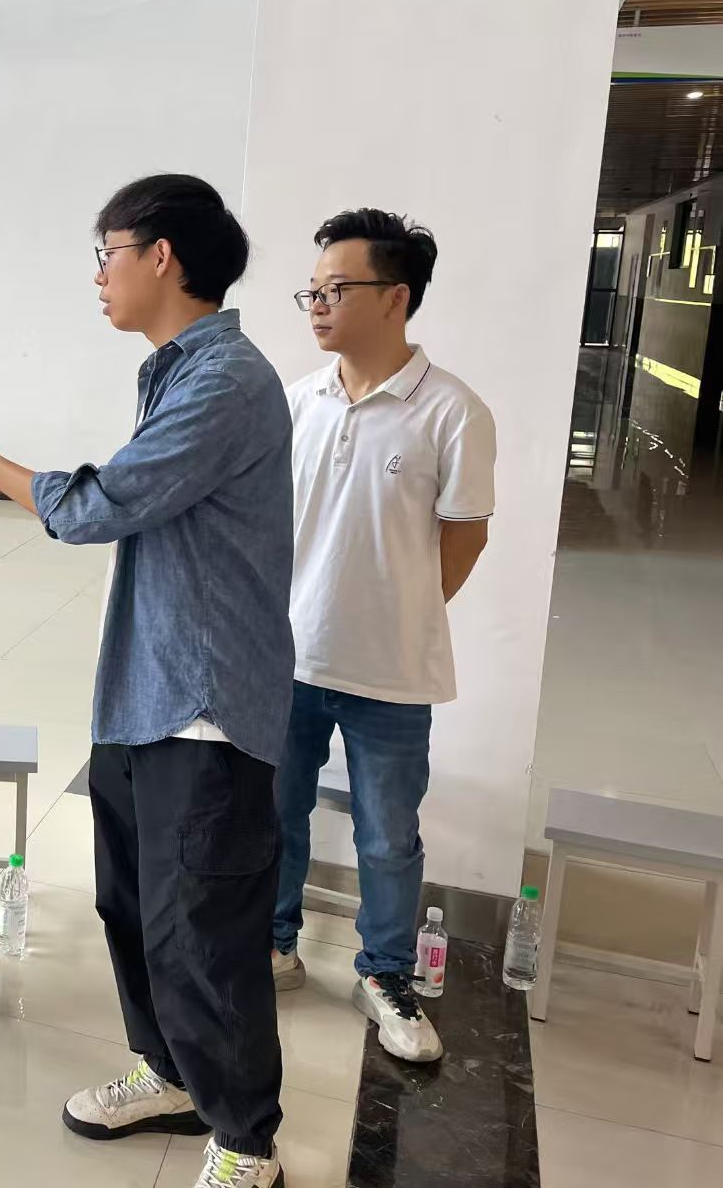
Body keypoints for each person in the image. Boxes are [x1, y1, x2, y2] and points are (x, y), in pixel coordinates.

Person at [0, 174, 292, 1188]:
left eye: (107, 253)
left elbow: (104, 504)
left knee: (203, 927)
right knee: (132, 906)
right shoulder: (172, 371)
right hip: (145, 693)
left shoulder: (226, 381)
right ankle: (170, 1073)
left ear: (160, 256)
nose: (99, 275)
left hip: (206, 706)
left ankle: (245, 1140)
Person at [271, 209, 494, 1065]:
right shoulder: (299, 402)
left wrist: (400, 611)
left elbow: (464, 537)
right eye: (312, 291)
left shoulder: (452, 411)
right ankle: (274, 944)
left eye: (337, 289)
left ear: (396, 297)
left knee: (387, 836)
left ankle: (386, 974)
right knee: (275, 814)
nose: (318, 305)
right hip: (290, 658)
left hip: (394, 674)